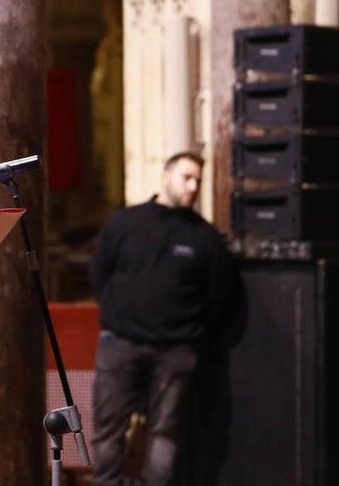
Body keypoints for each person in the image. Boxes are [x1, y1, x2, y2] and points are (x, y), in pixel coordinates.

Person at [88, 152, 236, 486]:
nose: (193, 186)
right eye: (187, 177)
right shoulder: (126, 223)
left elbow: (219, 296)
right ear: (166, 176)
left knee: (165, 431)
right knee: (108, 427)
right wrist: (119, 315)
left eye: (198, 180)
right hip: (120, 342)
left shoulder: (205, 237)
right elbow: (99, 274)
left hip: (176, 350)